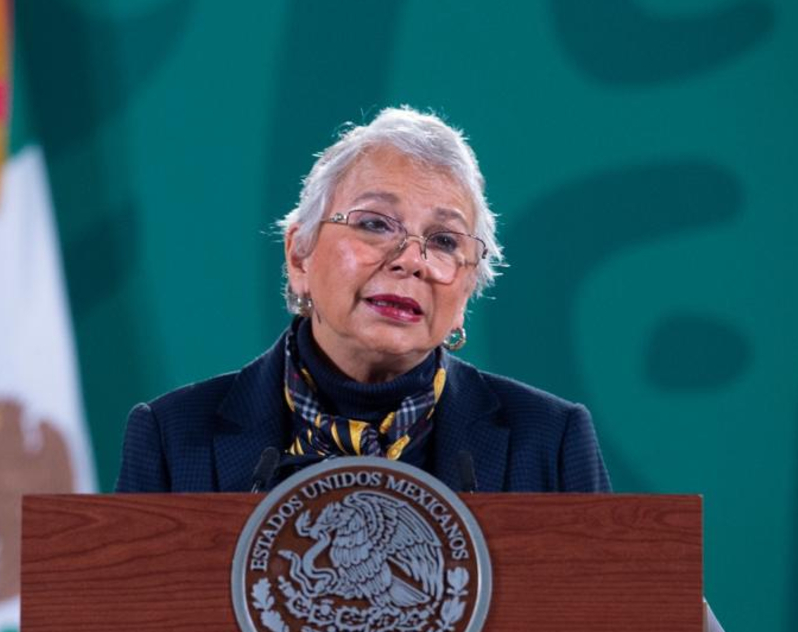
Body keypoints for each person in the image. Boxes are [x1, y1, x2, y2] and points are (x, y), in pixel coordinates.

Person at [116, 107, 610, 494]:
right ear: (299, 255)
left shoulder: (550, 442)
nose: (411, 260)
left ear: (465, 291)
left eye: (444, 241)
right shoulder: (171, 439)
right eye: (375, 224)